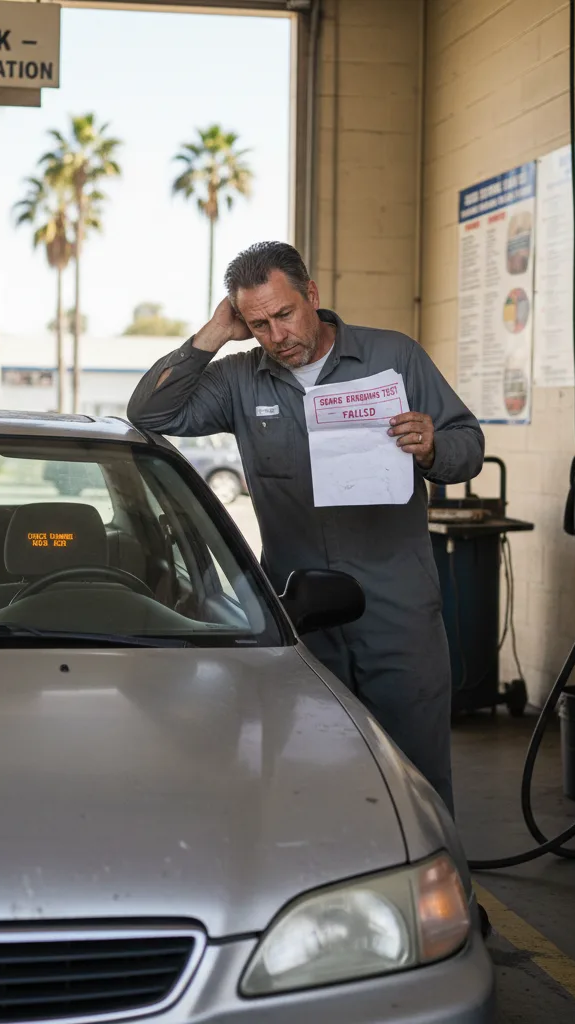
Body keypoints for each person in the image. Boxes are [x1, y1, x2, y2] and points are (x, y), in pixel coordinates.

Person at [127, 241, 485, 818]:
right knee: (308, 775)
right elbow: (150, 414)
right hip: (300, 618)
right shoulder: (241, 379)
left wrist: (434, 445)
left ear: (312, 296)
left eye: (285, 314)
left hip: (396, 610)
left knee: (414, 776)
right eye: (258, 323)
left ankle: (433, 899)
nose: (276, 335)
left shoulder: (393, 357)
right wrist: (215, 335)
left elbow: (468, 446)